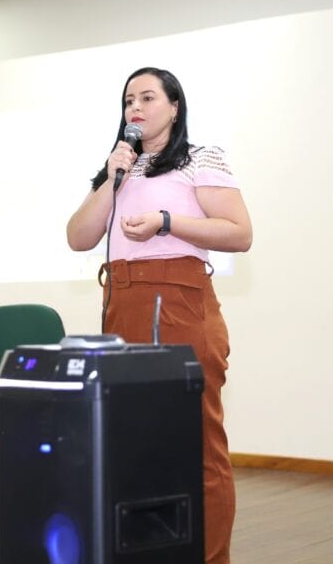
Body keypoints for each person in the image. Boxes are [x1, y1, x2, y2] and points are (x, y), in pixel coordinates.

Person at [67, 67, 252, 564]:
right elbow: (79, 237)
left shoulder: (198, 158)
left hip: (180, 304)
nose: (136, 107)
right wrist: (111, 178)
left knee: (198, 445)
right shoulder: (120, 168)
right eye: (129, 99)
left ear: (174, 106)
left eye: (148, 97)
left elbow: (239, 233)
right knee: (132, 447)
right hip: (121, 305)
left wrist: (167, 223)